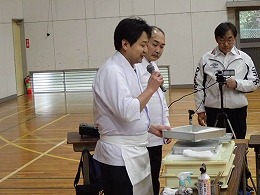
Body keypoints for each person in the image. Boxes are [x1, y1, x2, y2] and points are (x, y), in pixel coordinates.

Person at [92, 17, 171, 195]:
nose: (146, 50)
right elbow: (127, 111)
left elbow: (132, 109)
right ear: (126, 44)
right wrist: (150, 89)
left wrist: (150, 127)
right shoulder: (111, 71)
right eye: (143, 45)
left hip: (135, 150)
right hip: (119, 156)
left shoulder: (131, 68)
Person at [194, 21, 259, 139]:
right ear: (216, 39)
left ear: (235, 38)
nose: (226, 44)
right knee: (214, 144)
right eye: (222, 40)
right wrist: (200, 110)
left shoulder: (244, 58)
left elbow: (254, 83)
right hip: (213, 110)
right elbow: (198, 85)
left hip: (237, 110)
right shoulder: (206, 59)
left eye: (230, 39)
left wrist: (237, 84)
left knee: (238, 144)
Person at [135, 26, 171, 195]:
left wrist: (166, 123)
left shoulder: (153, 66)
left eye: (162, 46)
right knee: (142, 181)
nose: (158, 50)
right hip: (142, 137)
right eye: (154, 44)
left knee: (154, 178)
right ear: (144, 43)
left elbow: (160, 99)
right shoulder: (135, 68)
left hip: (157, 135)